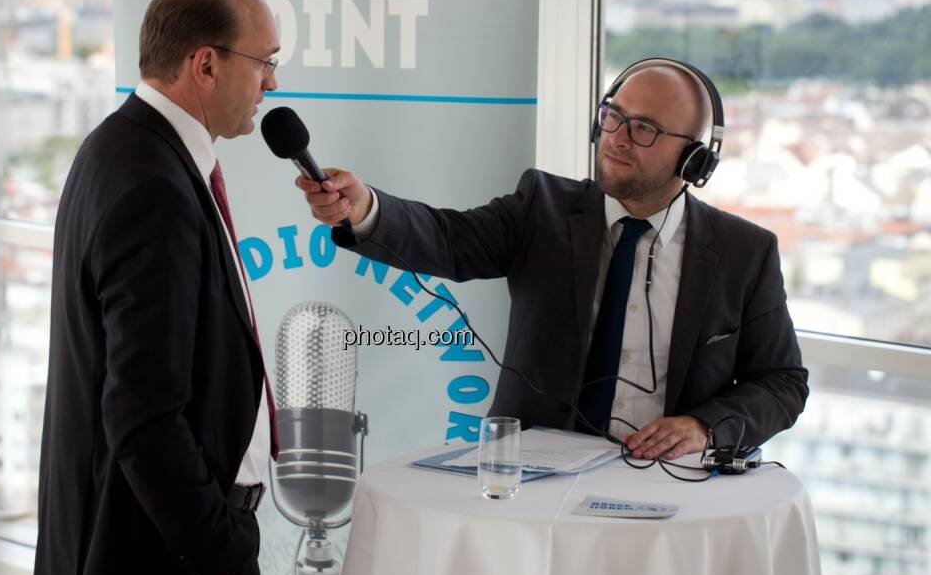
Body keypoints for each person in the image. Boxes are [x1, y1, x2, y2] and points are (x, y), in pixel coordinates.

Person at [296, 59, 808, 461]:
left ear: (695, 159)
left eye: (645, 129)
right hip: (532, 481)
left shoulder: (745, 252)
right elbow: (449, 239)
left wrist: (704, 427)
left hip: (667, 490)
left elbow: (783, 382)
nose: (618, 137)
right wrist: (366, 209)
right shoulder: (541, 207)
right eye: (613, 117)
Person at [35, 0, 280, 575]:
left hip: (142, 544)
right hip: (162, 562)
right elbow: (142, 412)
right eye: (263, 63)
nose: (272, 84)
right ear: (205, 65)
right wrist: (215, 559)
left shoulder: (118, 146)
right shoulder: (156, 190)